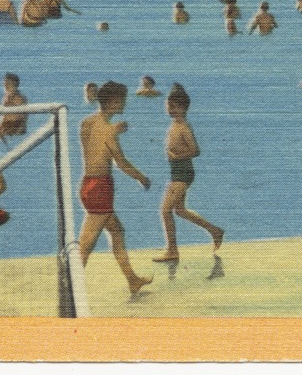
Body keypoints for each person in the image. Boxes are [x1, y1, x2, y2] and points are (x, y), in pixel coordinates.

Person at [77, 81, 153, 295]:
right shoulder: (108, 131)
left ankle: (132, 279)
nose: (125, 103)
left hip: (87, 185)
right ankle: (71, 284)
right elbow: (121, 163)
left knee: (117, 231)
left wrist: (113, 129)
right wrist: (141, 178)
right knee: (87, 242)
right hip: (101, 187)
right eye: (123, 100)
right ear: (114, 102)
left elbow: (94, 142)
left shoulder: (86, 123)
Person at [152, 84, 223, 263]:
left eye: (171, 106)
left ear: (181, 108)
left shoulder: (183, 127)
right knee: (180, 210)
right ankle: (214, 230)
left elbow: (195, 150)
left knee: (165, 210)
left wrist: (176, 155)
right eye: (167, 105)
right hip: (177, 171)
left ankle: (172, 250)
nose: (168, 109)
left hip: (183, 171)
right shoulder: (175, 125)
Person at [0, 72, 28, 137]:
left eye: (7, 82)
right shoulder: (6, 96)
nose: (4, 84)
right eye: (4, 82)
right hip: (7, 129)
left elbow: (24, 116)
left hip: (14, 129)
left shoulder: (19, 98)